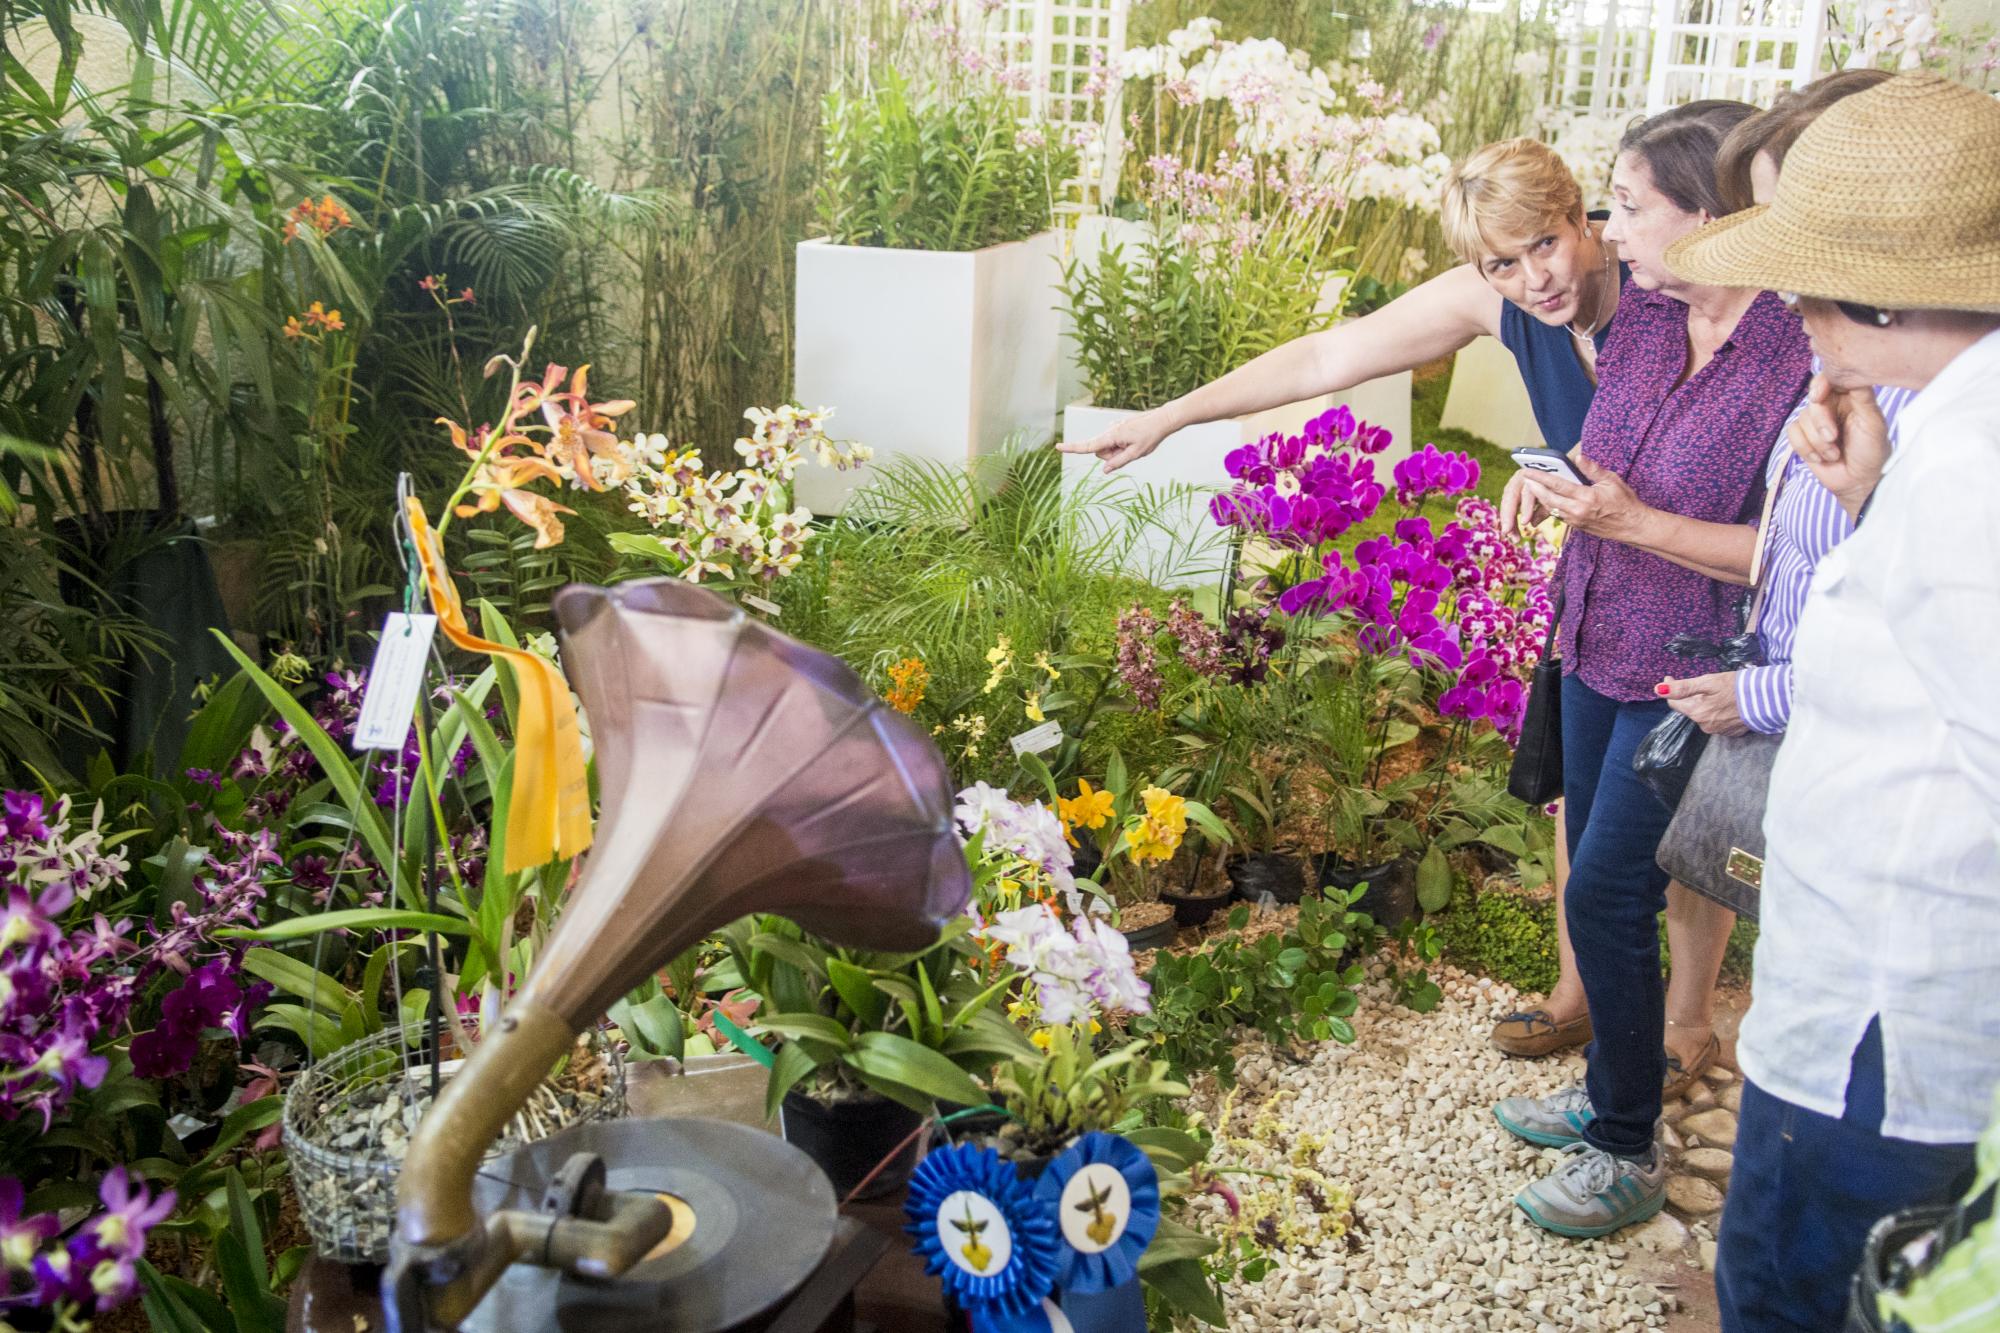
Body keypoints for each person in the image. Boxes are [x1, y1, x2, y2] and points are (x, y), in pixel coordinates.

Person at [1058, 135, 1735, 1081]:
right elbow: (1329, 353)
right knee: (1578, 790)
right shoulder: (1499, 300)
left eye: (1547, 244)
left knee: (1683, 804)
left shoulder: (1662, 282)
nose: (1534, 278)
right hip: (1599, 584)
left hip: (1696, 576)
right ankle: (1580, 993)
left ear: (1582, 217)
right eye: (1501, 263)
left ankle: (1688, 1018)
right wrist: (1170, 415)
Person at [1664, 71, 2000, 1332]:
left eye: (1802, 277)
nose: (1786, 307)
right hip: (1898, 1013)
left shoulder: (1968, 465)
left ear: (1871, 290)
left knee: (1789, 1297)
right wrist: (1865, 505)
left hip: (1887, 1022)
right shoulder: (1957, 440)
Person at [1486, 98, 1814, 1238]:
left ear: (1710, 216)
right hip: (1590, 633)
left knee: (1606, 886)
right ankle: (1606, 1100)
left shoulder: (1797, 356)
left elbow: (1789, 551)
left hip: (1691, 669)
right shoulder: (1640, 320)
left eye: (1627, 209)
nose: (1606, 233)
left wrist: (1632, 524)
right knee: (1599, 877)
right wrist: (1555, 478)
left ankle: (1625, 1144)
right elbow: (1606, 454)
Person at [1658, 71, 1909, 741]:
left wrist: (1769, 693)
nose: (1776, 278)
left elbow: (1948, 650)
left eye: (1788, 233)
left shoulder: (1955, 410)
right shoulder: (1849, 364)